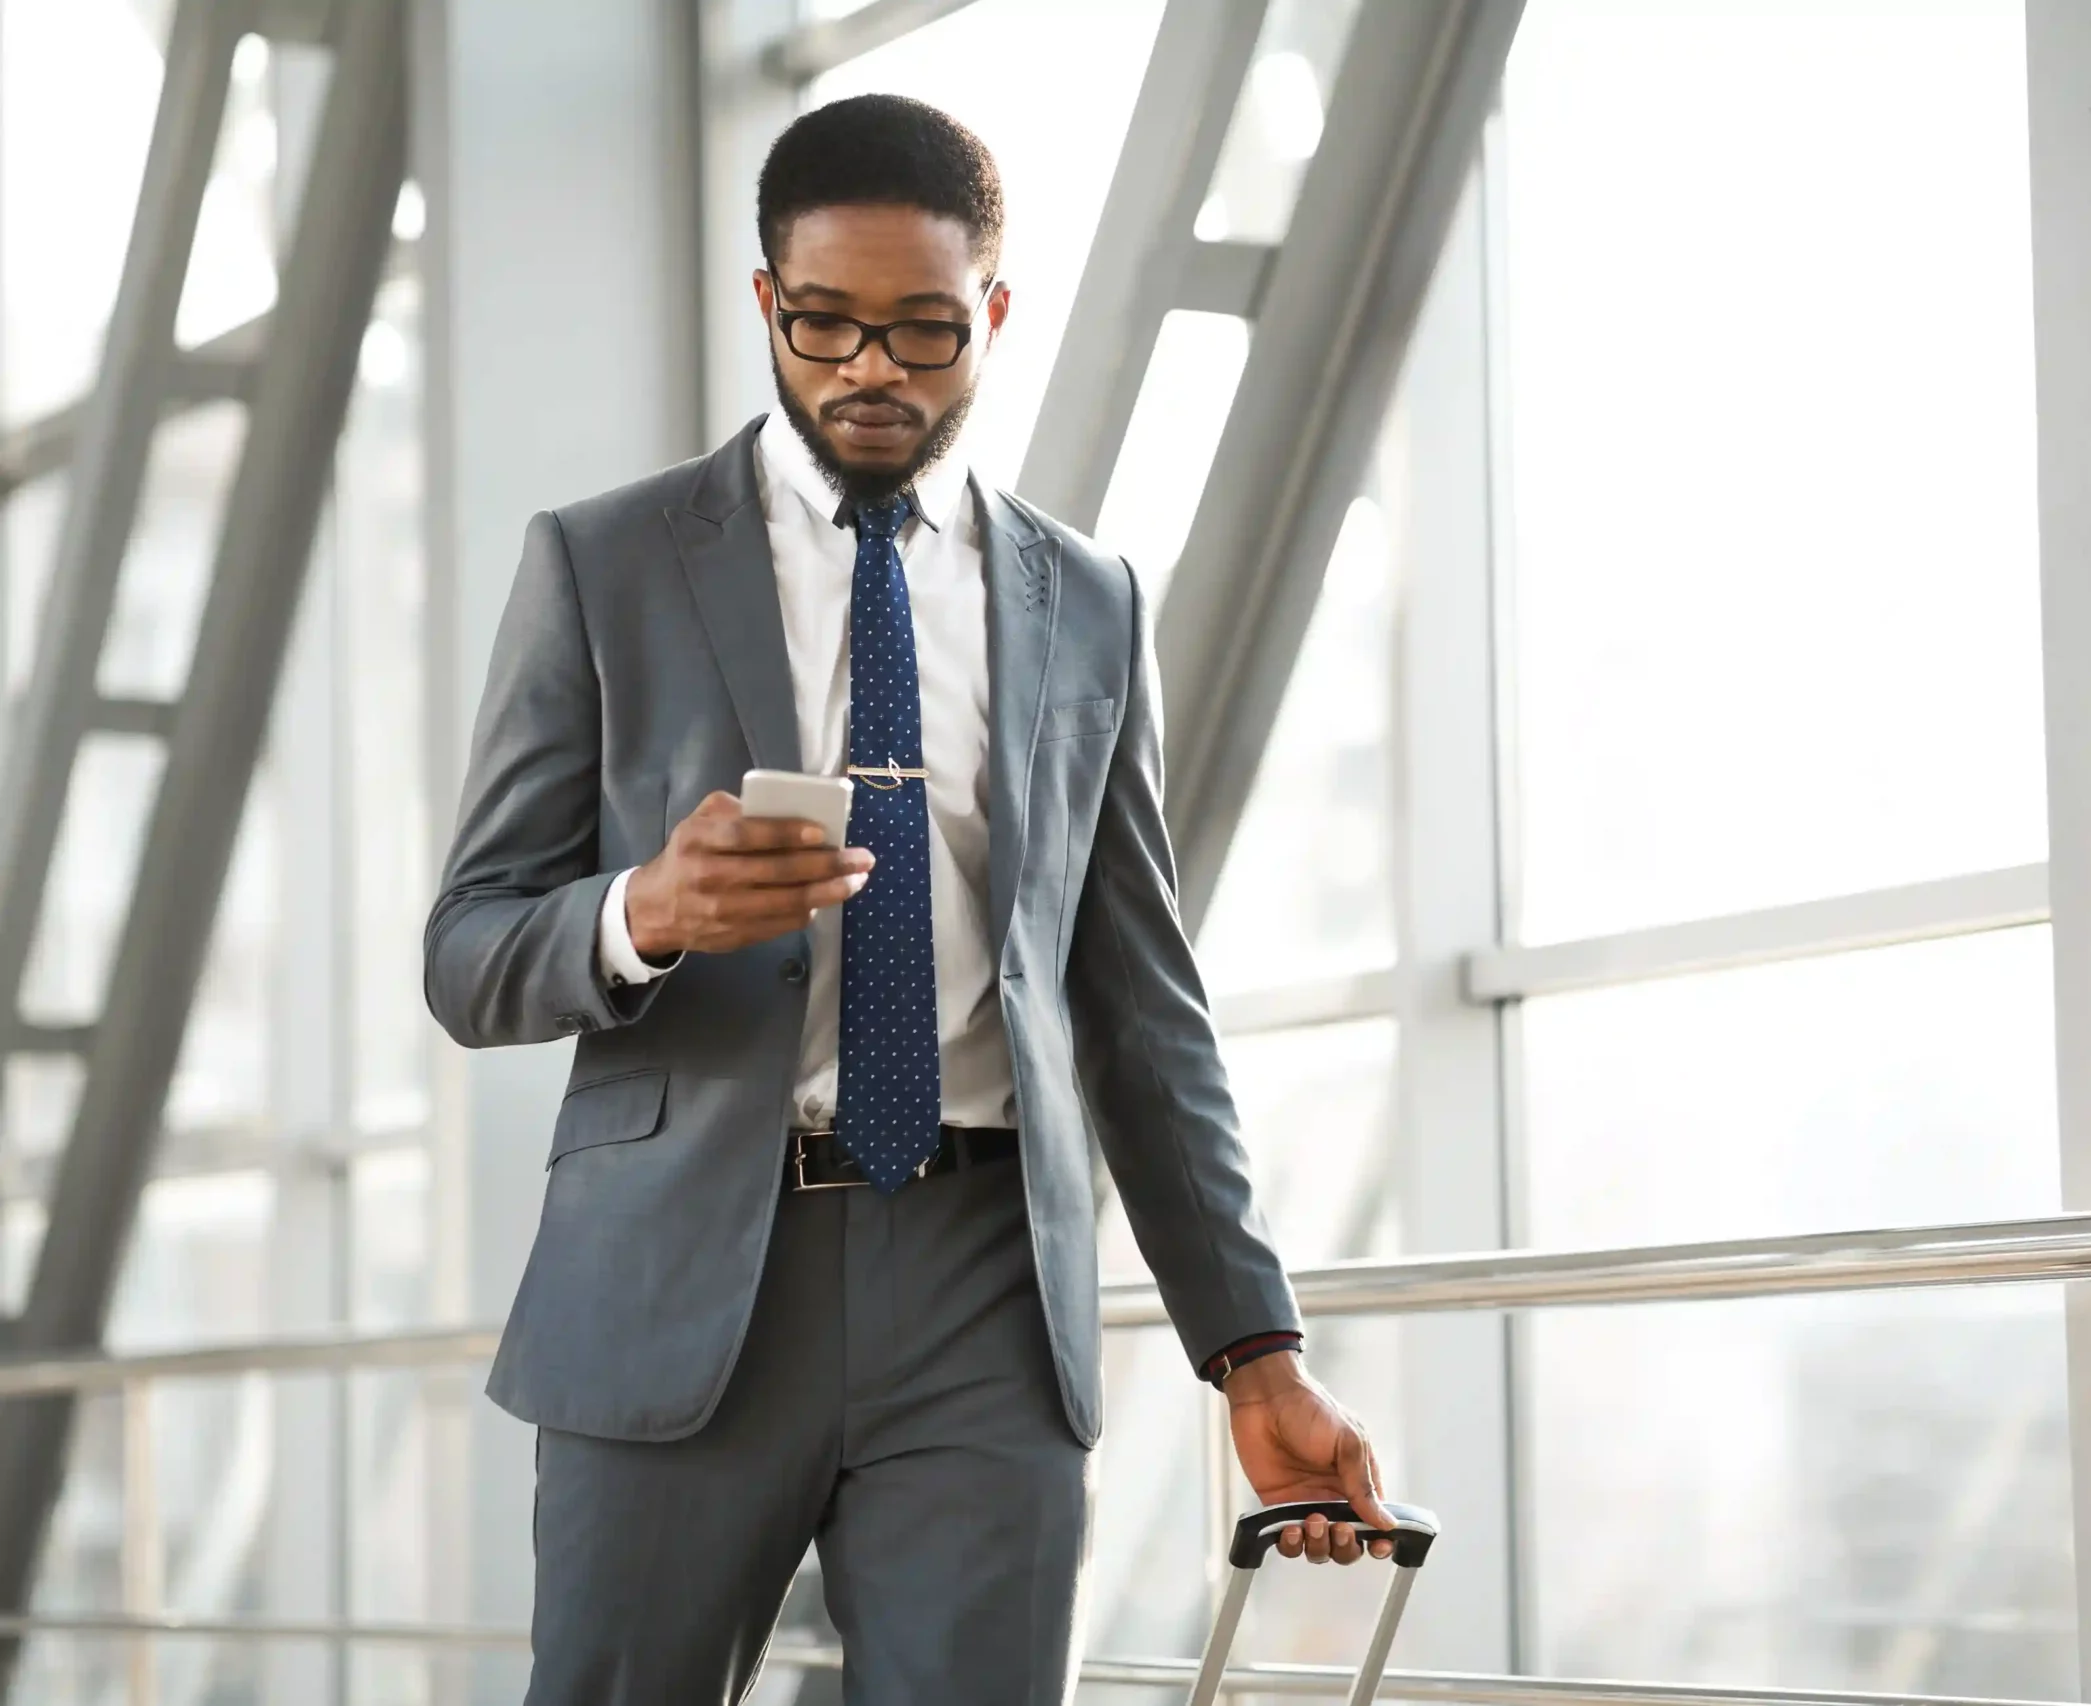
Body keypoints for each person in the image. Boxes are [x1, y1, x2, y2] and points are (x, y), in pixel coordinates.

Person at [424, 92, 1392, 1705]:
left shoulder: (1083, 599)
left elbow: (1145, 1006)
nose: (871, 369)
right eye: (826, 325)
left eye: (926, 333)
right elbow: (468, 952)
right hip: (680, 1287)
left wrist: (1256, 1349)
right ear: (767, 304)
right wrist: (642, 915)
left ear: (993, 317)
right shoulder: (605, 562)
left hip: (985, 1284)